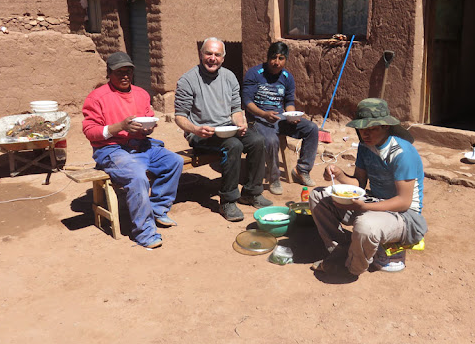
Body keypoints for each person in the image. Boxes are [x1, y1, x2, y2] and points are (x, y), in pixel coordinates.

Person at [309, 98, 427, 277]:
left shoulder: (402, 153)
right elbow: (359, 184)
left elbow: (403, 202)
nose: (365, 134)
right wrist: (339, 174)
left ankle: (352, 268)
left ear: (386, 126)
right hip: (375, 202)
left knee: (365, 226)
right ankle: (341, 250)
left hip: (405, 217)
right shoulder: (365, 147)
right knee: (318, 196)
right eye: (362, 129)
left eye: (372, 129)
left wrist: (364, 207)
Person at [82, 52, 184, 249]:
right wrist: (120, 126)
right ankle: (144, 232)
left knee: (174, 161)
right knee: (138, 177)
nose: (125, 76)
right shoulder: (97, 98)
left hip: (141, 145)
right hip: (112, 149)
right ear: (109, 73)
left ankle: (158, 208)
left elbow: (149, 116)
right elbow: (90, 131)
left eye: (128, 72)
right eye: (119, 72)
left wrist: (149, 127)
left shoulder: (141, 93)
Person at [174, 37, 272, 222]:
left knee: (257, 141)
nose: (212, 58)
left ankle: (251, 192)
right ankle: (228, 200)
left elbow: (235, 109)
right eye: (208, 53)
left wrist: (240, 123)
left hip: (227, 129)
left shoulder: (229, 77)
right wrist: (195, 129)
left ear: (223, 58)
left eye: (217, 54)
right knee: (233, 145)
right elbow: (180, 116)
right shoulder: (188, 80)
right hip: (201, 134)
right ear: (201, 55)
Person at [242, 41, 319, 195]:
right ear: (267, 57)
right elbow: (247, 102)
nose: (276, 62)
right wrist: (263, 114)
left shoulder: (287, 77)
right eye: (273, 57)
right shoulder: (254, 74)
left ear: (286, 60)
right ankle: (274, 178)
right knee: (271, 140)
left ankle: (302, 170)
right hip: (258, 119)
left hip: (279, 118)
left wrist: (291, 115)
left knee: (312, 128)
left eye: (281, 58)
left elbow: (289, 102)